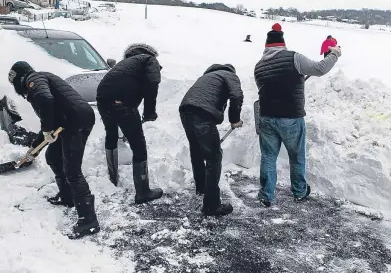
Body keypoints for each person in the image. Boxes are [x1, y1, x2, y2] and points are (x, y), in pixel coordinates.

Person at [8, 61, 99, 239]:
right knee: (53, 156)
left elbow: (45, 99)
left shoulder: (34, 79)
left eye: (14, 83)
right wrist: (34, 149)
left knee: (72, 170)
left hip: (75, 121)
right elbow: (49, 123)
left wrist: (48, 129)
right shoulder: (40, 80)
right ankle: (67, 197)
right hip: (68, 121)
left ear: (19, 77)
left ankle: (89, 221)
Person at [254, 23, 341, 207]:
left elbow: (270, 88)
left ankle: (266, 195)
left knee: (268, 157)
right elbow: (320, 69)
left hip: (267, 118)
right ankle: (300, 192)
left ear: (266, 46)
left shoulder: (259, 66)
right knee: (296, 156)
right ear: (282, 43)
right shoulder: (293, 57)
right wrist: (334, 54)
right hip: (291, 118)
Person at [96, 43, 163, 204]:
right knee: (138, 145)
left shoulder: (123, 65)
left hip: (102, 98)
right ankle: (143, 192)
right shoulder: (149, 59)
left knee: (111, 134)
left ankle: (112, 179)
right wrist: (149, 112)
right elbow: (153, 83)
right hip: (123, 101)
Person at [179, 64, 244, 216]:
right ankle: (212, 206)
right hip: (202, 114)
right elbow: (236, 95)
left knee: (196, 151)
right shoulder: (230, 75)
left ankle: (201, 188)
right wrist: (234, 119)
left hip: (186, 111)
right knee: (214, 157)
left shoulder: (207, 77)